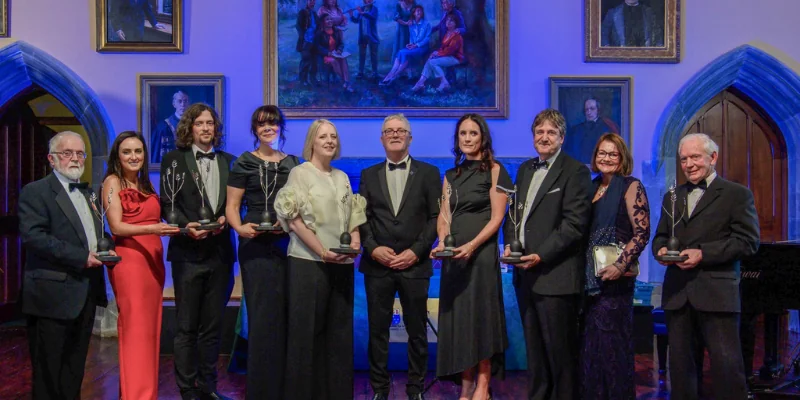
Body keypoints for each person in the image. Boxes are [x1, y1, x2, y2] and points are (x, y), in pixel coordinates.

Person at [652, 133, 760, 400]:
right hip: (678, 294)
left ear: (713, 157)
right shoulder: (672, 197)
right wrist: (661, 251)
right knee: (681, 371)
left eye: (695, 157)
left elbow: (748, 242)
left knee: (727, 369)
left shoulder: (737, 195)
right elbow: (660, 237)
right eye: (684, 159)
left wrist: (703, 254)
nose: (689, 164)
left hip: (717, 294)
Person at [503, 108, 592, 400]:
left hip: (556, 276)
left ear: (562, 138)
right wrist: (509, 243)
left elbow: (574, 225)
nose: (544, 137)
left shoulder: (576, 171)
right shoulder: (526, 169)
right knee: (535, 352)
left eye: (551, 132)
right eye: (539, 132)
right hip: (524, 275)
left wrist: (540, 255)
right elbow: (514, 215)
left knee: (560, 355)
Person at [275, 119, 367, 400]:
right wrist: (322, 252)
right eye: (323, 136)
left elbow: (352, 215)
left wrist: (355, 242)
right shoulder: (300, 174)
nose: (330, 141)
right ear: (312, 142)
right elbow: (295, 221)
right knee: (306, 336)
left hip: (341, 264)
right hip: (308, 263)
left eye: (334, 137)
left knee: (338, 335)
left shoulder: (341, 177)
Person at [19, 131, 112, 399]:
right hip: (51, 295)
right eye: (67, 153)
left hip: (84, 293)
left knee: (74, 369)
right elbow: (34, 237)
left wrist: (108, 251)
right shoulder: (35, 191)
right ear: (51, 159)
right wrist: (81, 257)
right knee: (48, 372)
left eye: (79, 153)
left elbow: (97, 235)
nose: (74, 159)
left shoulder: (90, 194)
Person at [358, 114, 441, 400]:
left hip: (414, 265)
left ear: (410, 137)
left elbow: (435, 218)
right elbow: (362, 218)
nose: (395, 134)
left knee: (417, 333)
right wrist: (372, 247)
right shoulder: (368, 174)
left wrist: (415, 251)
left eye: (400, 130)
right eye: (389, 131)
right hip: (376, 266)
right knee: (377, 331)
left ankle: (415, 388)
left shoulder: (430, 173)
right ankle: (379, 390)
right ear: (382, 138)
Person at [431, 113, 511, 400]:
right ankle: (465, 384)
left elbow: (497, 218)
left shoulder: (495, 170)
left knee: (481, 318)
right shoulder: (450, 175)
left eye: (473, 133)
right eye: (462, 134)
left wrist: (472, 246)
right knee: (459, 320)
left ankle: (483, 384)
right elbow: (444, 215)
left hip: (480, 257)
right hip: (454, 258)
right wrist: (443, 242)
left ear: (483, 138)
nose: (467, 138)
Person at [160, 103, 237, 400]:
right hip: (187, 253)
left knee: (213, 326)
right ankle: (186, 389)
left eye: (210, 124)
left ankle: (209, 387)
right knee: (187, 326)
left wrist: (225, 219)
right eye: (200, 123)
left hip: (220, 254)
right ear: (189, 128)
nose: (206, 128)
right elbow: (168, 204)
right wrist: (184, 226)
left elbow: (236, 205)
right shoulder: (174, 159)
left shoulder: (230, 161)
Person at [225, 106, 301, 399]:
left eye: (272, 123)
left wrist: (291, 227)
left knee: (284, 311)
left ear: (281, 127)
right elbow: (232, 207)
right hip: (254, 244)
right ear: (254, 130)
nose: (267, 128)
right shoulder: (244, 163)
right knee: (260, 314)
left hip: (287, 244)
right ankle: (260, 387)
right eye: (261, 125)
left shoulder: (294, 164)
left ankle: (284, 383)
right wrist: (240, 229)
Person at [103, 131, 181, 400]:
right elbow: (115, 226)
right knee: (135, 330)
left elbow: (162, 220)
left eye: (138, 151)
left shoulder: (146, 185)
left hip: (153, 263)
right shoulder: (112, 182)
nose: (134, 156)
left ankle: (143, 393)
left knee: (149, 332)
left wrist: (184, 227)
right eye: (127, 152)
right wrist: (153, 228)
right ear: (118, 156)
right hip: (130, 261)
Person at [579, 133, 650, 400]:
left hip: (615, 282)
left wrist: (620, 266)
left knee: (612, 348)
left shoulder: (631, 186)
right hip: (589, 280)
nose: (606, 158)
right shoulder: (591, 187)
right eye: (602, 153)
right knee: (590, 347)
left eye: (612, 154)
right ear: (595, 157)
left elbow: (642, 232)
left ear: (622, 159)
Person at [411, 13, 463, 93]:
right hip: (447, 56)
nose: (448, 22)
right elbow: (443, 48)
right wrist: (436, 53)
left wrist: (437, 54)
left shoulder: (456, 36)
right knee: (430, 60)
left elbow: (450, 50)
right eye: (448, 20)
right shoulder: (447, 34)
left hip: (455, 57)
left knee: (433, 62)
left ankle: (444, 82)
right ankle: (420, 82)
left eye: (451, 21)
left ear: (456, 24)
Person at [381, 5, 431, 86]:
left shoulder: (426, 24)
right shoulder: (411, 24)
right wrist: (410, 44)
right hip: (414, 46)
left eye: (420, 10)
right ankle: (390, 75)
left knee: (405, 54)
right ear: (414, 13)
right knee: (401, 52)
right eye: (417, 11)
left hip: (422, 47)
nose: (419, 12)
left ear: (422, 13)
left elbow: (427, 39)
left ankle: (392, 77)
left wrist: (417, 45)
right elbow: (412, 37)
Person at [564, 97, 620, 165]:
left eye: (592, 109)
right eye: (586, 109)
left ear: (598, 110)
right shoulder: (576, 129)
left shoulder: (606, 129)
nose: (589, 112)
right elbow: (570, 151)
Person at [315, 13, 355, 92]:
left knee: (343, 59)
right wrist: (328, 53)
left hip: (336, 53)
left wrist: (339, 50)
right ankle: (345, 81)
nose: (330, 21)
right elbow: (317, 47)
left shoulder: (336, 31)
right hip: (326, 56)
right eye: (327, 19)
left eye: (331, 19)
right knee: (333, 61)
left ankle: (346, 82)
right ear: (323, 22)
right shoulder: (319, 33)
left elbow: (341, 43)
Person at [151, 90, 190, 164]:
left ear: (189, 103)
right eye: (179, 101)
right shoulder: (163, 127)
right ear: (174, 104)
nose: (183, 104)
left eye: (185, 101)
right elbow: (156, 154)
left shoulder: (194, 124)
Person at [347, 0, 379, 80]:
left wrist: (362, 12)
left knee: (373, 55)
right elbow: (357, 21)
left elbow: (372, 17)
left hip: (372, 36)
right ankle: (360, 72)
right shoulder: (362, 8)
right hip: (362, 36)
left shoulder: (374, 9)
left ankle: (374, 72)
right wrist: (351, 15)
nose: (368, 1)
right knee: (362, 54)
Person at [296, 0, 318, 86]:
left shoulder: (314, 13)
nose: (312, 2)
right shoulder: (302, 12)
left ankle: (313, 79)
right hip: (306, 41)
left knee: (314, 61)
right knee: (305, 60)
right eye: (311, 0)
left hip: (314, 40)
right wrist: (303, 37)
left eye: (314, 1)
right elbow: (298, 26)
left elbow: (318, 25)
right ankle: (303, 80)